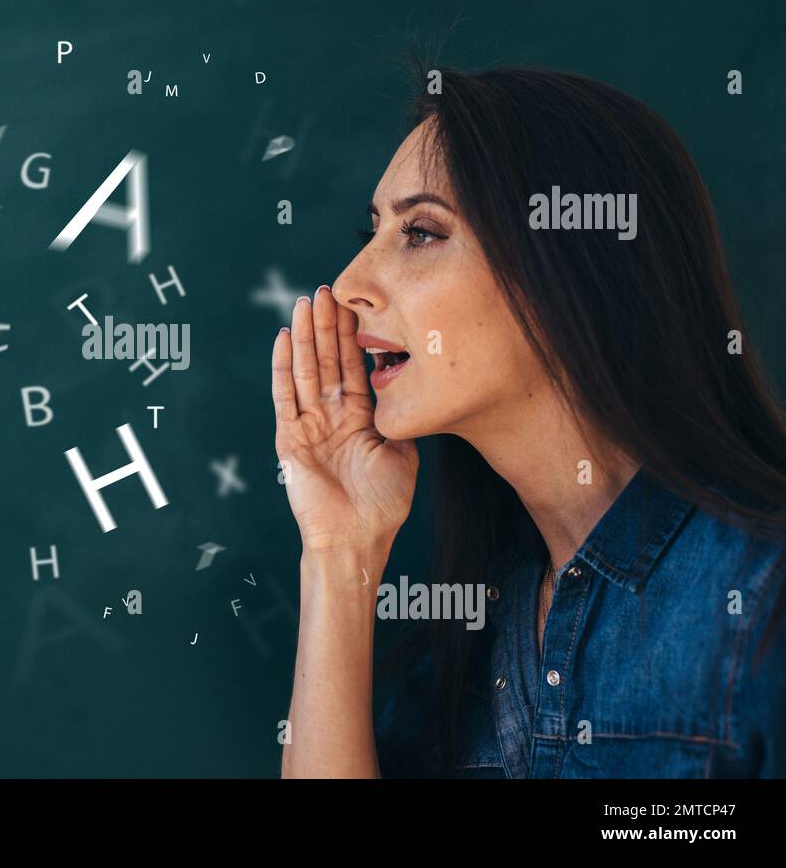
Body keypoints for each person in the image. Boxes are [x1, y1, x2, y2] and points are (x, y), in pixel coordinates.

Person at [271, 66, 786, 778]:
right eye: (374, 228)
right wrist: (337, 549)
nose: (350, 281)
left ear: (569, 265)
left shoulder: (761, 601)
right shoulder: (473, 636)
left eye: (420, 231)